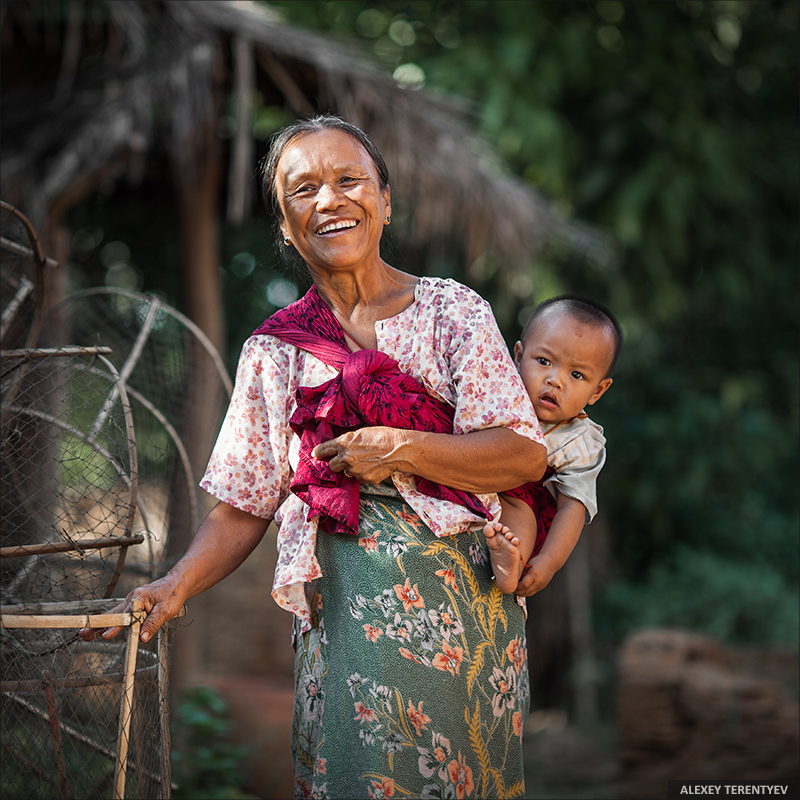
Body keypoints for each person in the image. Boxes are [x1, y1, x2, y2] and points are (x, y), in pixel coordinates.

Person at [83, 114, 548, 800]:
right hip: (344, 623)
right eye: (303, 190)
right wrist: (175, 584)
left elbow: (522, 457)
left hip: (467, 616)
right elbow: (244, 506)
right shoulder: (273, 352)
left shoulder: (454, 313)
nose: (328, 200)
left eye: (349, 180)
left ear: (384, 200)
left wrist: (399, 447)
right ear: (285, 224)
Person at [483, 295, 622, 595]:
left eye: (577, 375)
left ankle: (510, 561)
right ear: (518, 356)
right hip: (465, 460)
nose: (555, 381)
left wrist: (548, 562)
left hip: (513, 493)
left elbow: (573, 506)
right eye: (544, 361)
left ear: (597, 391)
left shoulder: (579, 441)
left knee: (523, 514)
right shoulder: (493, 386)